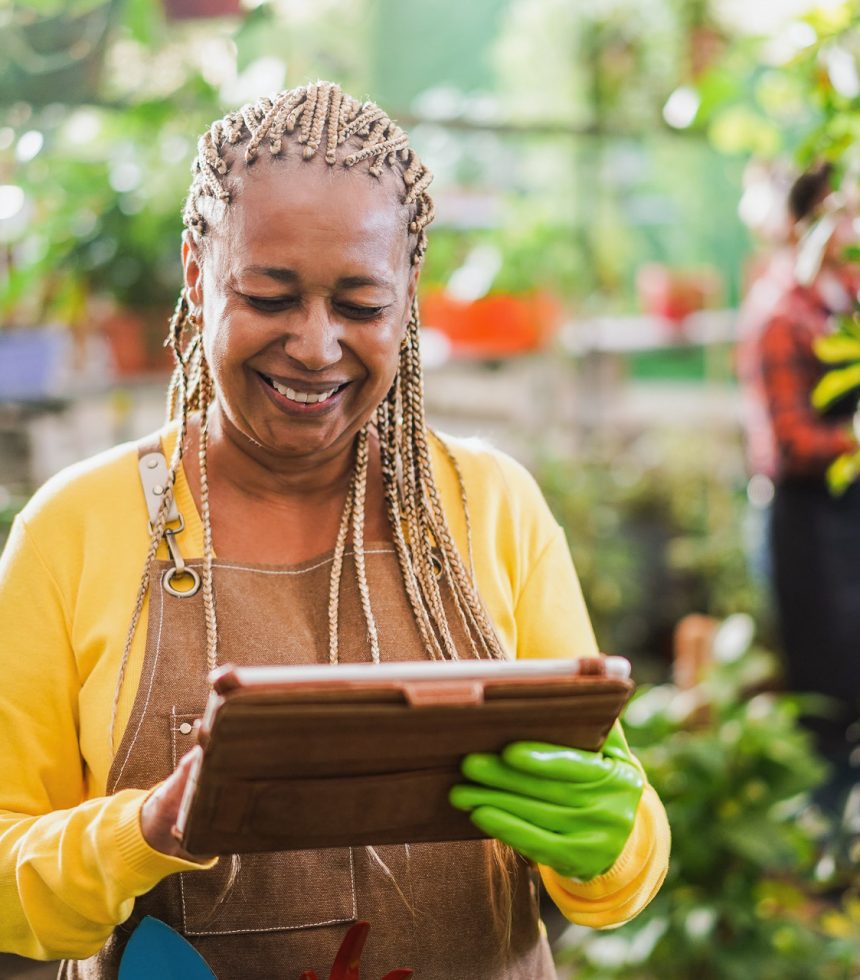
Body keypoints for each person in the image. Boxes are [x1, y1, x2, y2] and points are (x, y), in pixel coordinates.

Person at [0, 82, 669, 979]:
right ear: (199, 278)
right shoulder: (74, 532)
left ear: (409, 300)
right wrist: (146, 830)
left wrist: (618, 840)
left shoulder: (490, 506)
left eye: (360, 305)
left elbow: (617, 839)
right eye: (271, 296)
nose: (316, 346)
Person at [747, 163, 860, 816]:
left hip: (848, 514)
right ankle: (828, 850)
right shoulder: (782, 314)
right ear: (812, 222)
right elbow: (790, 444)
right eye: (844, 212)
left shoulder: (842, 303)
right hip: (808, 526)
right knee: (828, 691)